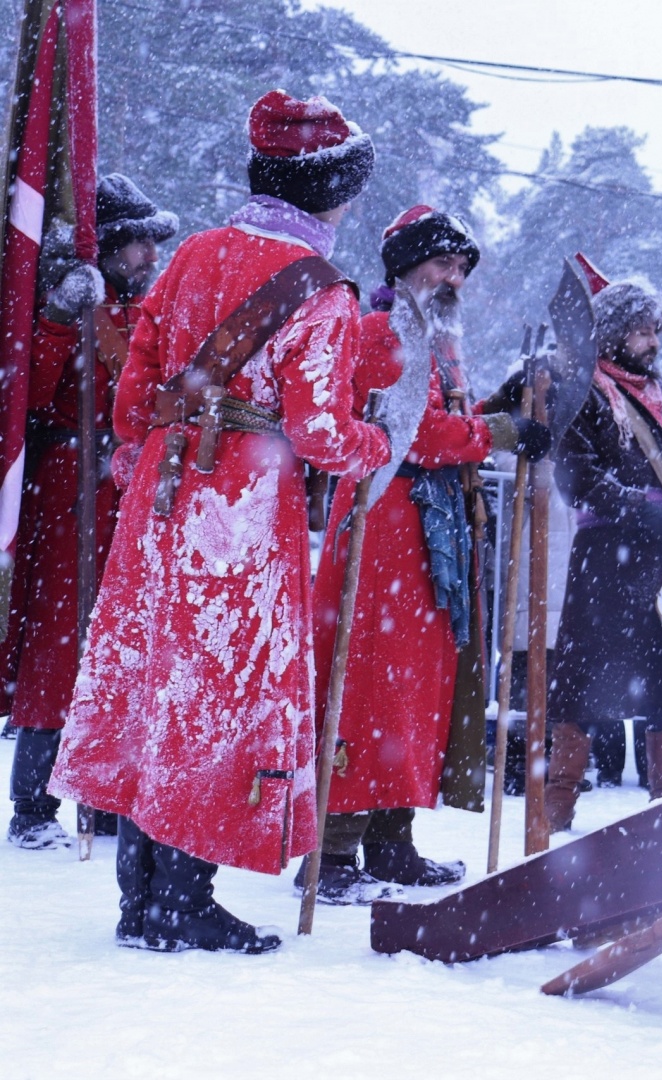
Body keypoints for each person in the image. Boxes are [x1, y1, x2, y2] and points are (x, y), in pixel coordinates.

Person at [49, 91, 389, 953]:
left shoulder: (194, 251)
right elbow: (316, 430)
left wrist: (149, 452)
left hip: (160, 495)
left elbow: (135, 395)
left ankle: (141, 896)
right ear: (327, 191)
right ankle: (181, 898)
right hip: (240, 503)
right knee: (214, 690)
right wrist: (370, 442)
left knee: (154, 677)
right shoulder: (323, 290)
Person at [302, 205, 549, 904]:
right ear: (406, 266)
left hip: (429, 535)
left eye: (462, 268)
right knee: (370, 686)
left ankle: (391, 839)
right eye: (443, 264)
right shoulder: (382, 331)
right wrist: (501, 430)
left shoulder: (437, 340)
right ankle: (334, 851)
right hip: (385, 526)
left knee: (415, 690)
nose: (454, 279)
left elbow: (451, 420)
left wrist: (507, 406)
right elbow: (415, 432)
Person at [5, 175, 176, 850]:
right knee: (59, 648)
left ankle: (102, 795)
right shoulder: (74, 309)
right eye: (138, 245)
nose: (149, 257)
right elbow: (31, 394)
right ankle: (34, 803)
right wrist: (53, 316)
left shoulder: (146, 310)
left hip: (131, 492)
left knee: (121, 647)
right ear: (107, 246)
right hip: (72, 491)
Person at [546, 276, 662, 829]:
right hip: (605, 565)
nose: (653, 341)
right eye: (643, 330)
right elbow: (577, 476)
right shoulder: (584, 392)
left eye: (655, 330)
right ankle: (555, 809)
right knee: (581, 690)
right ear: (616, 332)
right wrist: (637, 509)